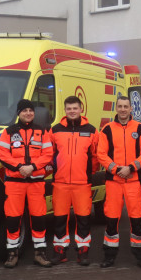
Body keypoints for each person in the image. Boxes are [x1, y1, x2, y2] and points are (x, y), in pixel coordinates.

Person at [0, 99, 54, 268]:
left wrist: (33, 167)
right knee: (13, 218)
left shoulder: (41, 131)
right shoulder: (9, 132)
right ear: (18, 113)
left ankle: (40, 253)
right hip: (15, 182)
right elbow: (3, 154)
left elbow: (48, 153)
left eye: (30, 110)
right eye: (24, 110)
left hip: (36, 182)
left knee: (39, 218)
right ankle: (12, 253)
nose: (28, 113)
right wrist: (20, 167)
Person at [96, 96, 141, 268]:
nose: (123, 109)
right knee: (111, 219)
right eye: (120, 106)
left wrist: (131, 168)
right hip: (114, 181)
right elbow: (101, 154)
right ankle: (109, 256)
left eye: (126, 106)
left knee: (137, 219)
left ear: (130, 109)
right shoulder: (107, 129)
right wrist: (116, 169)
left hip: (133, 181)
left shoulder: (140, 129)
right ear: (116, 108)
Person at [50, 96, 97, 266]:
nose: (72, 111)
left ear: (81, 109)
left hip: (82, 184)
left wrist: (87, 174)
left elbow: (95, 156)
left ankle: (83, 252)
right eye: (69, 108)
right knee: (59, 219)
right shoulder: (55, 130)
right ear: (65, 110)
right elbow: (49, 154)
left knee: (83, 219)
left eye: (75, 108)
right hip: (60, 183)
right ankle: (60, 252)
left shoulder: (91, 130)